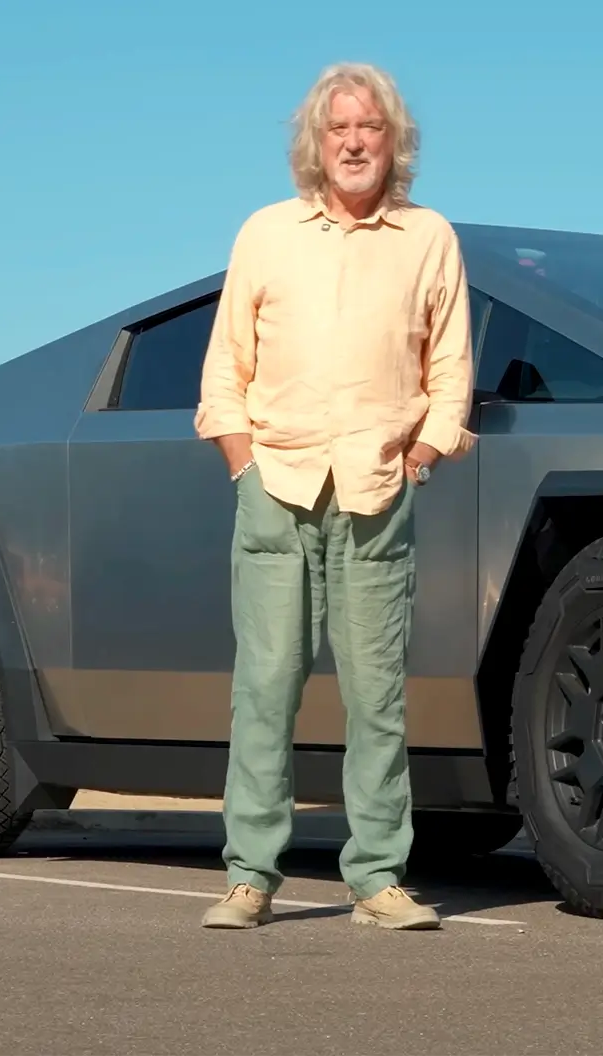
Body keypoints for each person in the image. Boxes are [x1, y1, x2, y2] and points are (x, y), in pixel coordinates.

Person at [191, 62, 475, 930]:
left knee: (376, 695)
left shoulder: (430, 238)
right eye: (338, 129)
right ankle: (249, 875)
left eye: (370, 128)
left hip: (379, 490)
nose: (354, 142)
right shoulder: (266, 234)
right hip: (274, 484)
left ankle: (378, 877)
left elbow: (451, 369)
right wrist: (241, 462)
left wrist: (421, 457)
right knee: (265, 688)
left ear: (395, 143)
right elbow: (224, 364)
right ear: (315, 145)